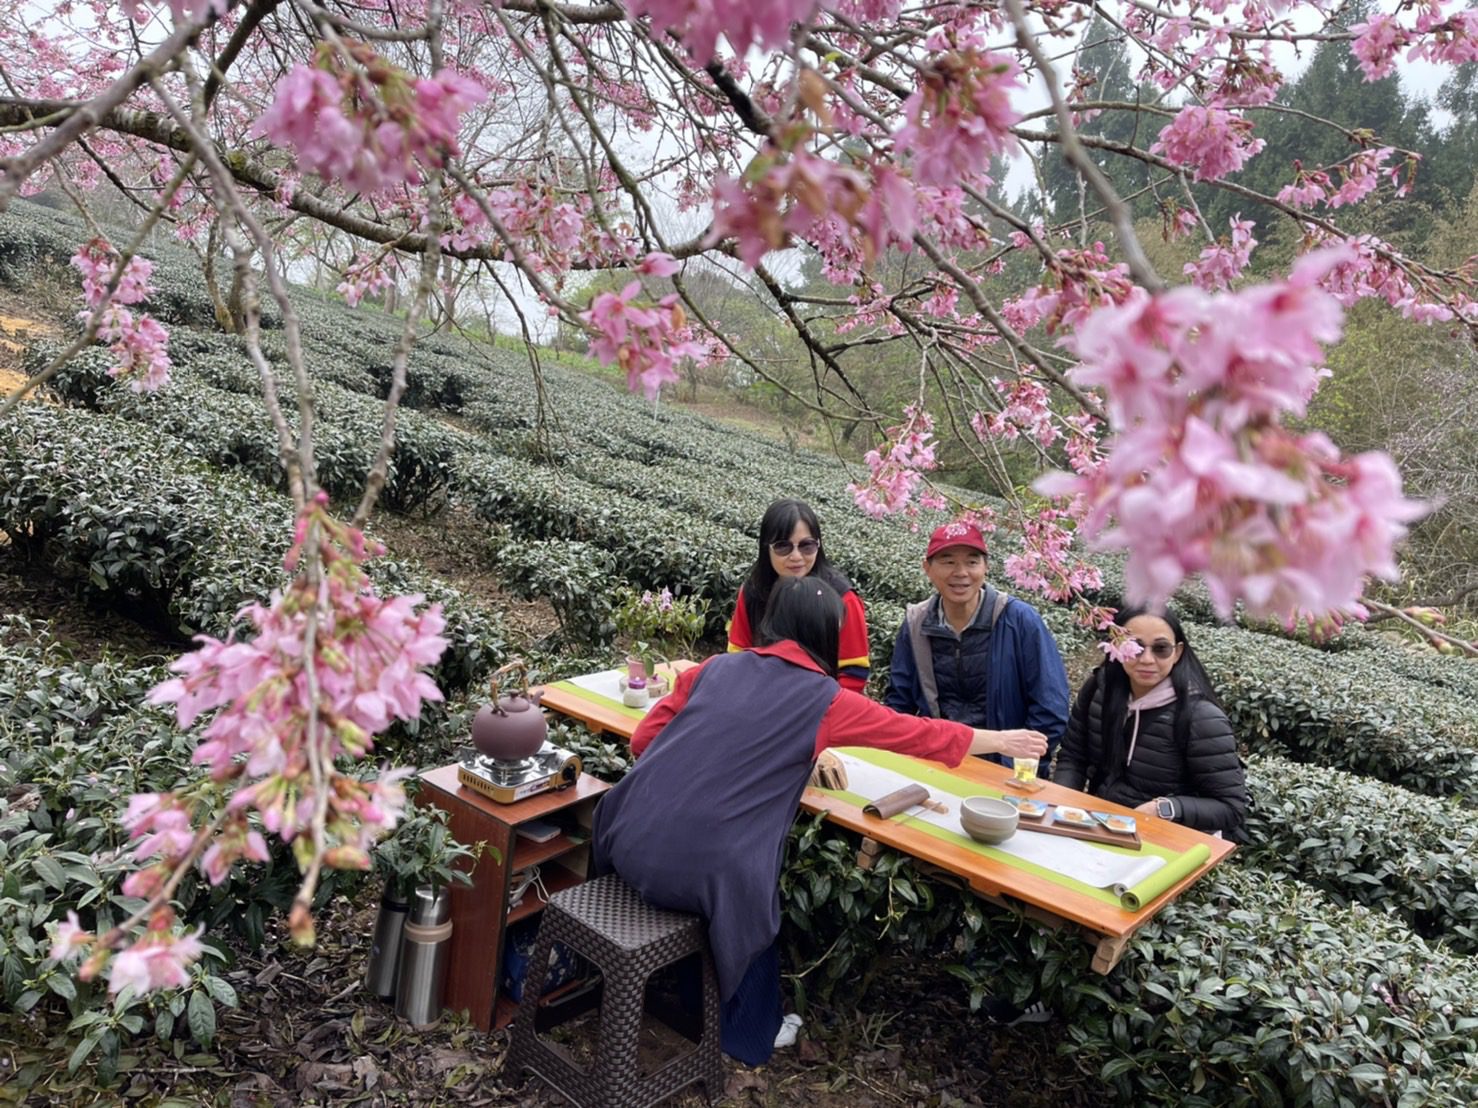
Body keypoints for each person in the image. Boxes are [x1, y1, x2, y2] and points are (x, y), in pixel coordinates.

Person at [593, 577, 1048, 1066]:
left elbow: (644, 741)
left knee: (720, 866)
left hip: (623, 837)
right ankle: (751, 1034)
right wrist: (1000, 741)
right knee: (751, 899)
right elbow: (915, 733)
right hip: (699, 871)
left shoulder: (713, 669)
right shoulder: (825, 699)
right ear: (826, 634)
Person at [885, 521, 1071, 772]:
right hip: (936, 761)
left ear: (986, 568)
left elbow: (1050, 709)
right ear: (927, 568)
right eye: (948, 561)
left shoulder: (1020, 620)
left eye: (972, 562)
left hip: (1006, 768)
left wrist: (1014, 768)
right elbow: (899, 702)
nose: (961, 572)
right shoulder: (916, 624)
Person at [1053, 606, 1248, 839]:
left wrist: (1165, 808)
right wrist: (1061, 804)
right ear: (1115, 645)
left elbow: (1231, 808)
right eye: (1134, 646)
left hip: (1167, 841)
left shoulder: (1202, 718)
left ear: (1177, 653)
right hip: (1104, 826)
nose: (1146, 659)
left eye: (1161, 649)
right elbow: (1074, 757)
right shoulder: (1099, 689)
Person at [727, 498, 871, 692]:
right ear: (765, 547)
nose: (796, 556)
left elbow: (853, 673)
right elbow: (737, 656)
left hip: (822, 708)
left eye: (807, 546)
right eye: (783, 546)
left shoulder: (843, 599)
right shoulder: (753, 591)